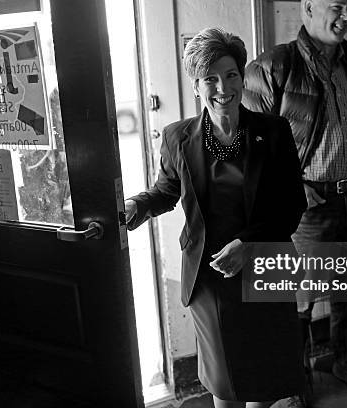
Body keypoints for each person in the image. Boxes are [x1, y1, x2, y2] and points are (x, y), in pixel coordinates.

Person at [125, 28, 307, 408]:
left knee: (264, 376)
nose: (223, 87)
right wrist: (137, 206)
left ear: (242, 78)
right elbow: (166, 190)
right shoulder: (178, 137)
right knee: (224, 382)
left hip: (264, 264)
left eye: (231, 75)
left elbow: (292, 205)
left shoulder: (273, 131)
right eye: (210, 78)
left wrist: (249, 245)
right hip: (211, 277)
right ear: (196, 86)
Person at [242, 0, 347, 403]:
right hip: (307, 208)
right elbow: (249, 147)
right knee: (296, 302)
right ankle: (292, 383)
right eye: (336, 6)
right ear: (307, 7)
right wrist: (288, 187)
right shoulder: (273, 67)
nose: (345, 16)